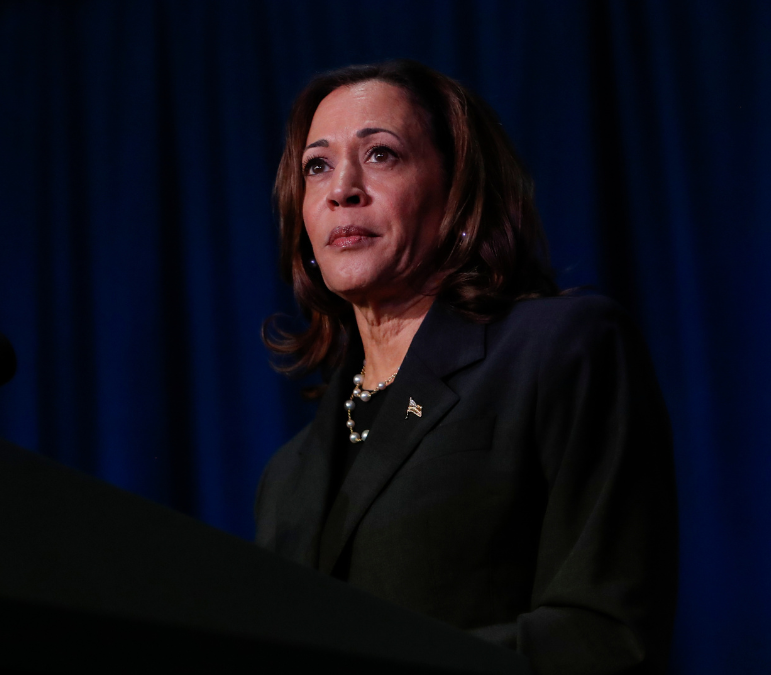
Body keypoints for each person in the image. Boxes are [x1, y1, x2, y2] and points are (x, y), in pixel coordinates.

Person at [255, 59, 677, 675]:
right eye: (317, 166)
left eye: (380, 155)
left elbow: (605, 635)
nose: (342, 188)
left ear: (456, 194)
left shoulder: (561, 350)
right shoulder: (287, 477)